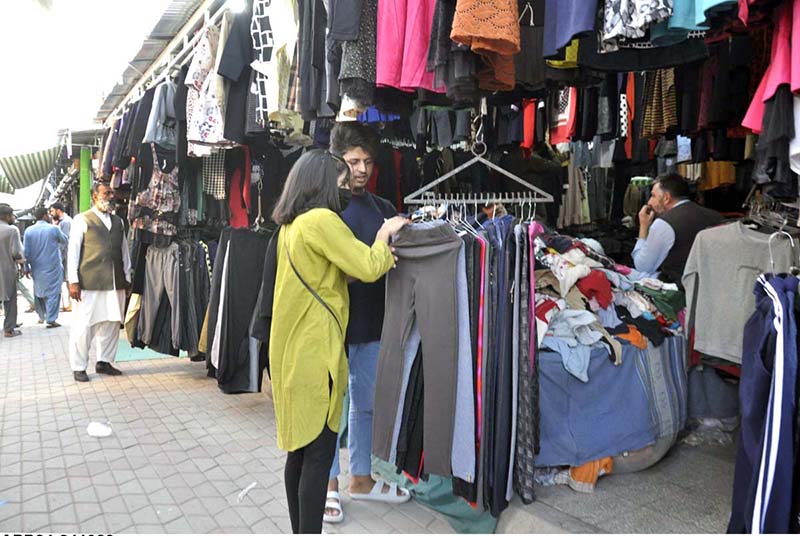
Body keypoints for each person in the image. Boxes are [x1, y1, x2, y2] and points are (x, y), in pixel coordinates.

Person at [269, 149, 409, 534]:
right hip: (317, 355)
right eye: (343, 183)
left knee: (298, 452)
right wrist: (383, 233)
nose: (347, 190)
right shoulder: (321, 220)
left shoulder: (291, 227)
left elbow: (320, 278)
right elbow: (368, 265)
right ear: (324, 184)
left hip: (292, 354)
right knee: (319, 455)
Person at [324, 123, 410, 524]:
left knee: (366, 407)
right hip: (334, 323)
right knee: (330, 408)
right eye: (353, 161)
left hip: (373, 322)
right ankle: (328, 486)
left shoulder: (383, 209)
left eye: (367, 162)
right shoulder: (325, 211)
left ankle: (360, 477)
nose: (361, 169)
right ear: (338, 160)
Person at [67, 182, 131, 382]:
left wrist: (127, 277)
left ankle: (104, 361)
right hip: (90, 282)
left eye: (112, 192)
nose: (111, 196)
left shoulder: (119, 222)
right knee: (84, 325)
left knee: (112, 322)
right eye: (106, 193)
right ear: (95, 196)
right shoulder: (81, 220)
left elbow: (124, 252)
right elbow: (73, 252)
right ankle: (79, 366)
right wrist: (73, 281)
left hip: (115, 282)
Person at [633, 173, 723, 283]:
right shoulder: (716, 216)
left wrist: (643, 227)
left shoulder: (664, 224)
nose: (649, 202)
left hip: (680, 290)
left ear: (666, 198)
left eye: (653, 196)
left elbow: (642, 266)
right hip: (714, 286)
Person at [23, 207, 68, 328]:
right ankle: (51, 318)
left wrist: (26, 267)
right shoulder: (53, 229)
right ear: (44, 215)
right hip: (53, 266)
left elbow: (25, 252)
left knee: (39, 291)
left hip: (36, 267)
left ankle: (41, 316)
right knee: (54, 292)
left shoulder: (28, 231)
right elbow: (65, 240)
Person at [0, 204, 25, 337]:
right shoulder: (12, 230)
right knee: (10, 299)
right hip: (6, 270)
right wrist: (22, 263)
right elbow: (16, 252)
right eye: (11, 215)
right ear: (6, 216)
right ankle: (9, 329)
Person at [50, 201, 73, 312]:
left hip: (66, 254)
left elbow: (64, 241)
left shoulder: (66, 222)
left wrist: (58, 256)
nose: (51, 213)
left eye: (52, 210)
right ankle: (68, 303)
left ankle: (70, 303)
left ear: (58, 210)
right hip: (64, 254)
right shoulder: (60, 222)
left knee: (68, 279)